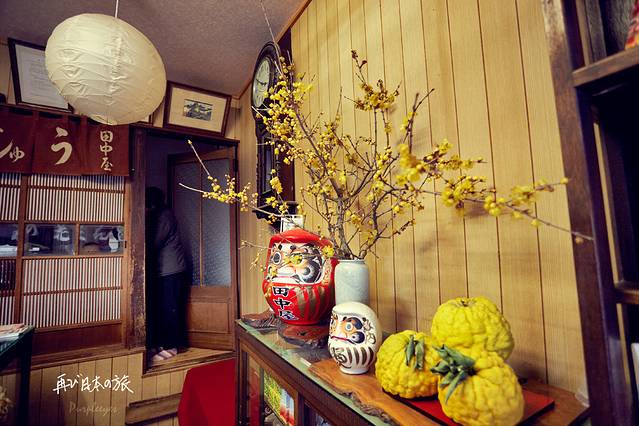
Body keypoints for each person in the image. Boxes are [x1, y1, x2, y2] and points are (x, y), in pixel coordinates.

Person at [145, 187, 187, 362]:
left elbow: (154, 242)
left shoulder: (164, 216)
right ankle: (162, 343)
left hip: (172, 270)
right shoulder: (159, 215)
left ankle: (172, 346)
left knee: (170, 308)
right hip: (164, 270)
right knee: (162, 308)